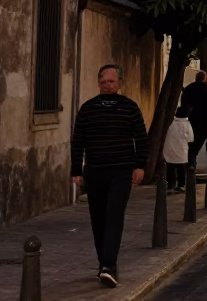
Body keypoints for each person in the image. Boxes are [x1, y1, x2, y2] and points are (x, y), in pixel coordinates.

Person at [70, 64, 148, 288]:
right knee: (98, 219)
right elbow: (78, 141)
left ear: (119, 83)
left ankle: (108, 266)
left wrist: (140, 166)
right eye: (103, 81)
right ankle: (104, 264)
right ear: (98, 83)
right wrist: (76, 170)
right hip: (94, 172)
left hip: (121, 172)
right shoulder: (87, 109)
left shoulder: (130, 108)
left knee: (114, 216)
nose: (107, 85)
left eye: (111, 81)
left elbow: (141, 139)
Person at [181, 71, 207, 167]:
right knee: (199, 141)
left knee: (190, 142)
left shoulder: (188, 89)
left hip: (190, 120)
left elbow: (183, 105)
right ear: (205, 79)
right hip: (203, 120)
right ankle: (192, 158)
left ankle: (191, 159)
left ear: (196, 78)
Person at [163, 102, 194, 193]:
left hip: (170, 150)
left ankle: (170, 186)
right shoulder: (187, 125)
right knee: (181, 168)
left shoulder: (171, 123)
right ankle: (181, 185)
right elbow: (191, 139)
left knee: (171, 168)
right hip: (182, 151)